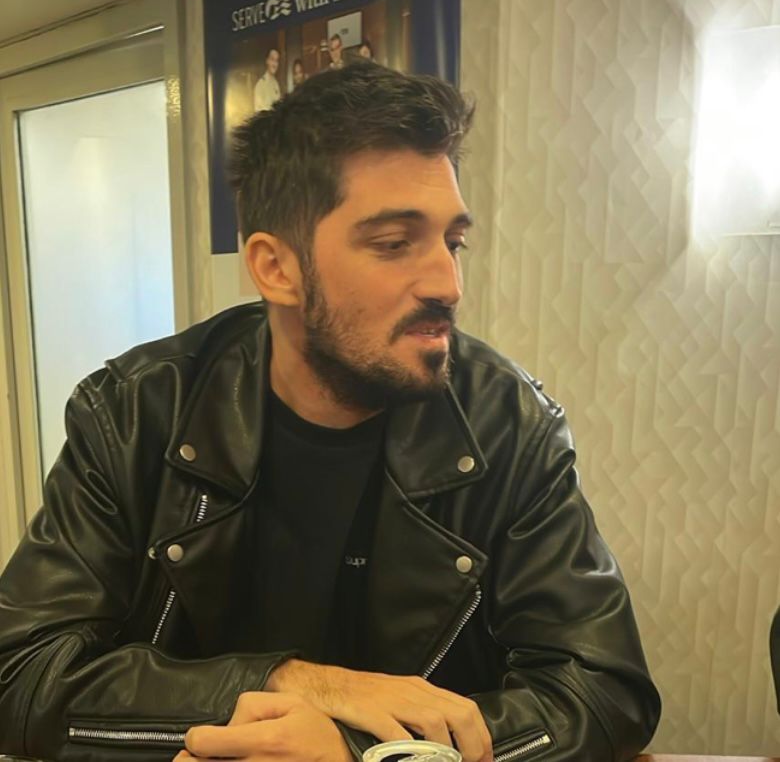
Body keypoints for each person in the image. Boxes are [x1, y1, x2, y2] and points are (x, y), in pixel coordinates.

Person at [0, 62, 660, 762]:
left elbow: (602, 692)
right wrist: (295, 685)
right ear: (276, 268)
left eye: (453, 242)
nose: (448, 283)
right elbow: (20, 672)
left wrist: (359, 751)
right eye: (394, 244)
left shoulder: (510, 426)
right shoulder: (135, 412)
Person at [254, 46, 281, 112]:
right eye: (272, 59)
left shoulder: (276, 83)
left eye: (276, 60)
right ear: (267, 61)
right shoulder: (260, 85)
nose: (274, 64)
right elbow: (259, 114)